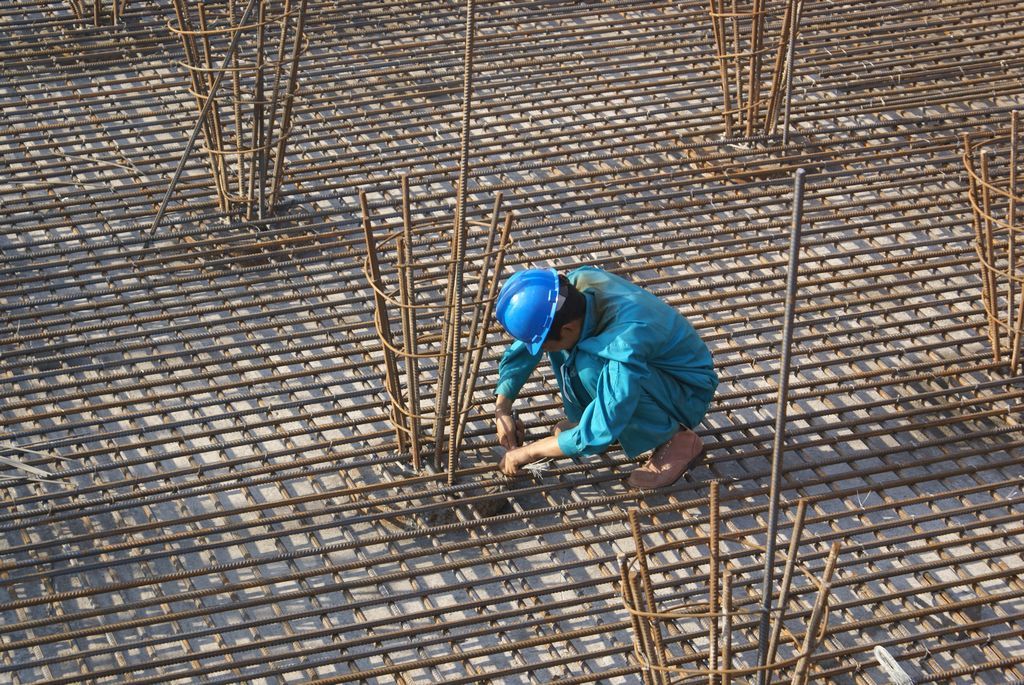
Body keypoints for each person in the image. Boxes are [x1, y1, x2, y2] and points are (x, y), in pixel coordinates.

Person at [492, 266, 718, 489]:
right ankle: (588, 417)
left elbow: (600, 428)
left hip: (687, 390)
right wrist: (502, 407)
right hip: (650, 367)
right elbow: (528, 345)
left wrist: (528, 452)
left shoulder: (622, 344)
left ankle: (676, 439)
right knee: (571, 351)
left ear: (568, 328)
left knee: (589, 365)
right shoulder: (569, 292)